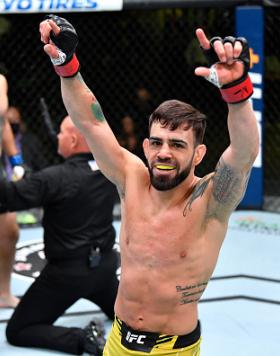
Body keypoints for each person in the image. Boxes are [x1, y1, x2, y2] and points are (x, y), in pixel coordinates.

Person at [39, 15, 259, 356]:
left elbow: (244, 154)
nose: (164, 153)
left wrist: (237, 93)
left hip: (173, 349)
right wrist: (67, 65)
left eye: (177, 144)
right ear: (145, 147)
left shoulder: (210, 200)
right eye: (156, 142)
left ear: (199, 153)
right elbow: (90, 122)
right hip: (118, 338)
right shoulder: (132, 178)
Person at [3, 115, 119, 355]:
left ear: (74, 140)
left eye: (62, 132)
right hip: (105, 269)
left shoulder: (53, 178)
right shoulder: (112, 169)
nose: (57, 136)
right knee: (128, 316)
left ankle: (80, 338)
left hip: (67, 276)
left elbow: (7, 198)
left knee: (18, 330)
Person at [0, 74, 26, 308]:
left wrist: (15, 159)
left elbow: (3, 123)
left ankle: (3, 293)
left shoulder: (1, 81)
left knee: (9, 231)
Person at [3, 105, 49, 180]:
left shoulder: (31, 141)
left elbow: (42, 165)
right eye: (10, 121)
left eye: (16, 120)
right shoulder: (2, 142)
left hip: (26, 182)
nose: (14, 123)